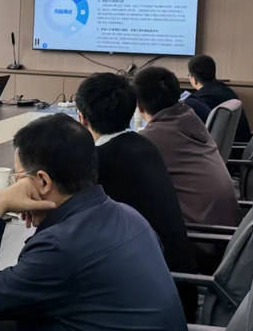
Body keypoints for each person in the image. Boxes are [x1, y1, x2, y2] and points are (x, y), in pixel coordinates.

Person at [0, 113, 187, 331]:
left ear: (43, 181)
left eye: (18, 177)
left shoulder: (60, 246)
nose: (15, 186)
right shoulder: (130, 215)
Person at [75, 72, 199, 322]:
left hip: (145, 304)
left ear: (82, 118)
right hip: (176, 289)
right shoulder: (144, 145)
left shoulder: (99, 163)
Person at [133, 66, 239, 229]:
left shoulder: (150, 140)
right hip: (223, 227)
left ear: (139, 106)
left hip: (200, 235)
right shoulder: (189, 118)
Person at [188, 54, 251, 142]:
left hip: (230, 148)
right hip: (236, 145)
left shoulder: (199, 100)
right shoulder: (225, 90)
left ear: (193, 79)